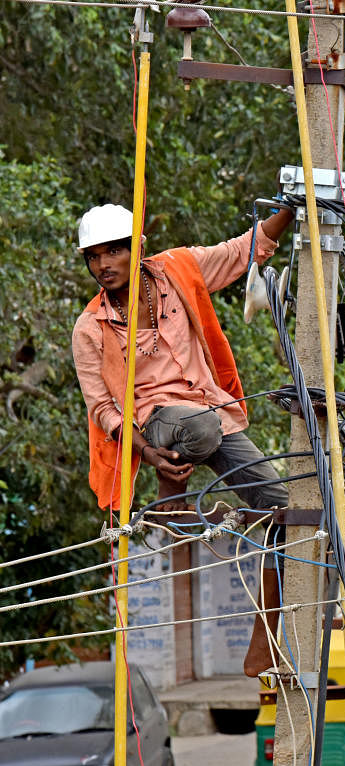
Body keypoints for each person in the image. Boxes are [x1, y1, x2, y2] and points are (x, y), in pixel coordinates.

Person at [72, 202, 293, 677]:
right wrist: (148, 454)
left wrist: (291, 209)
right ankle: (169, 497)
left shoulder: (178, 270)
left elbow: (244, 251)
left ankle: (266, 632)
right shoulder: (90, 329)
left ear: (139, 249)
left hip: (212, 410)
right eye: (93, 256)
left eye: (114, 251)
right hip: (155, 424)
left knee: (286, 509)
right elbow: (103, 410)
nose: (104, 265)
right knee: (197, 427)